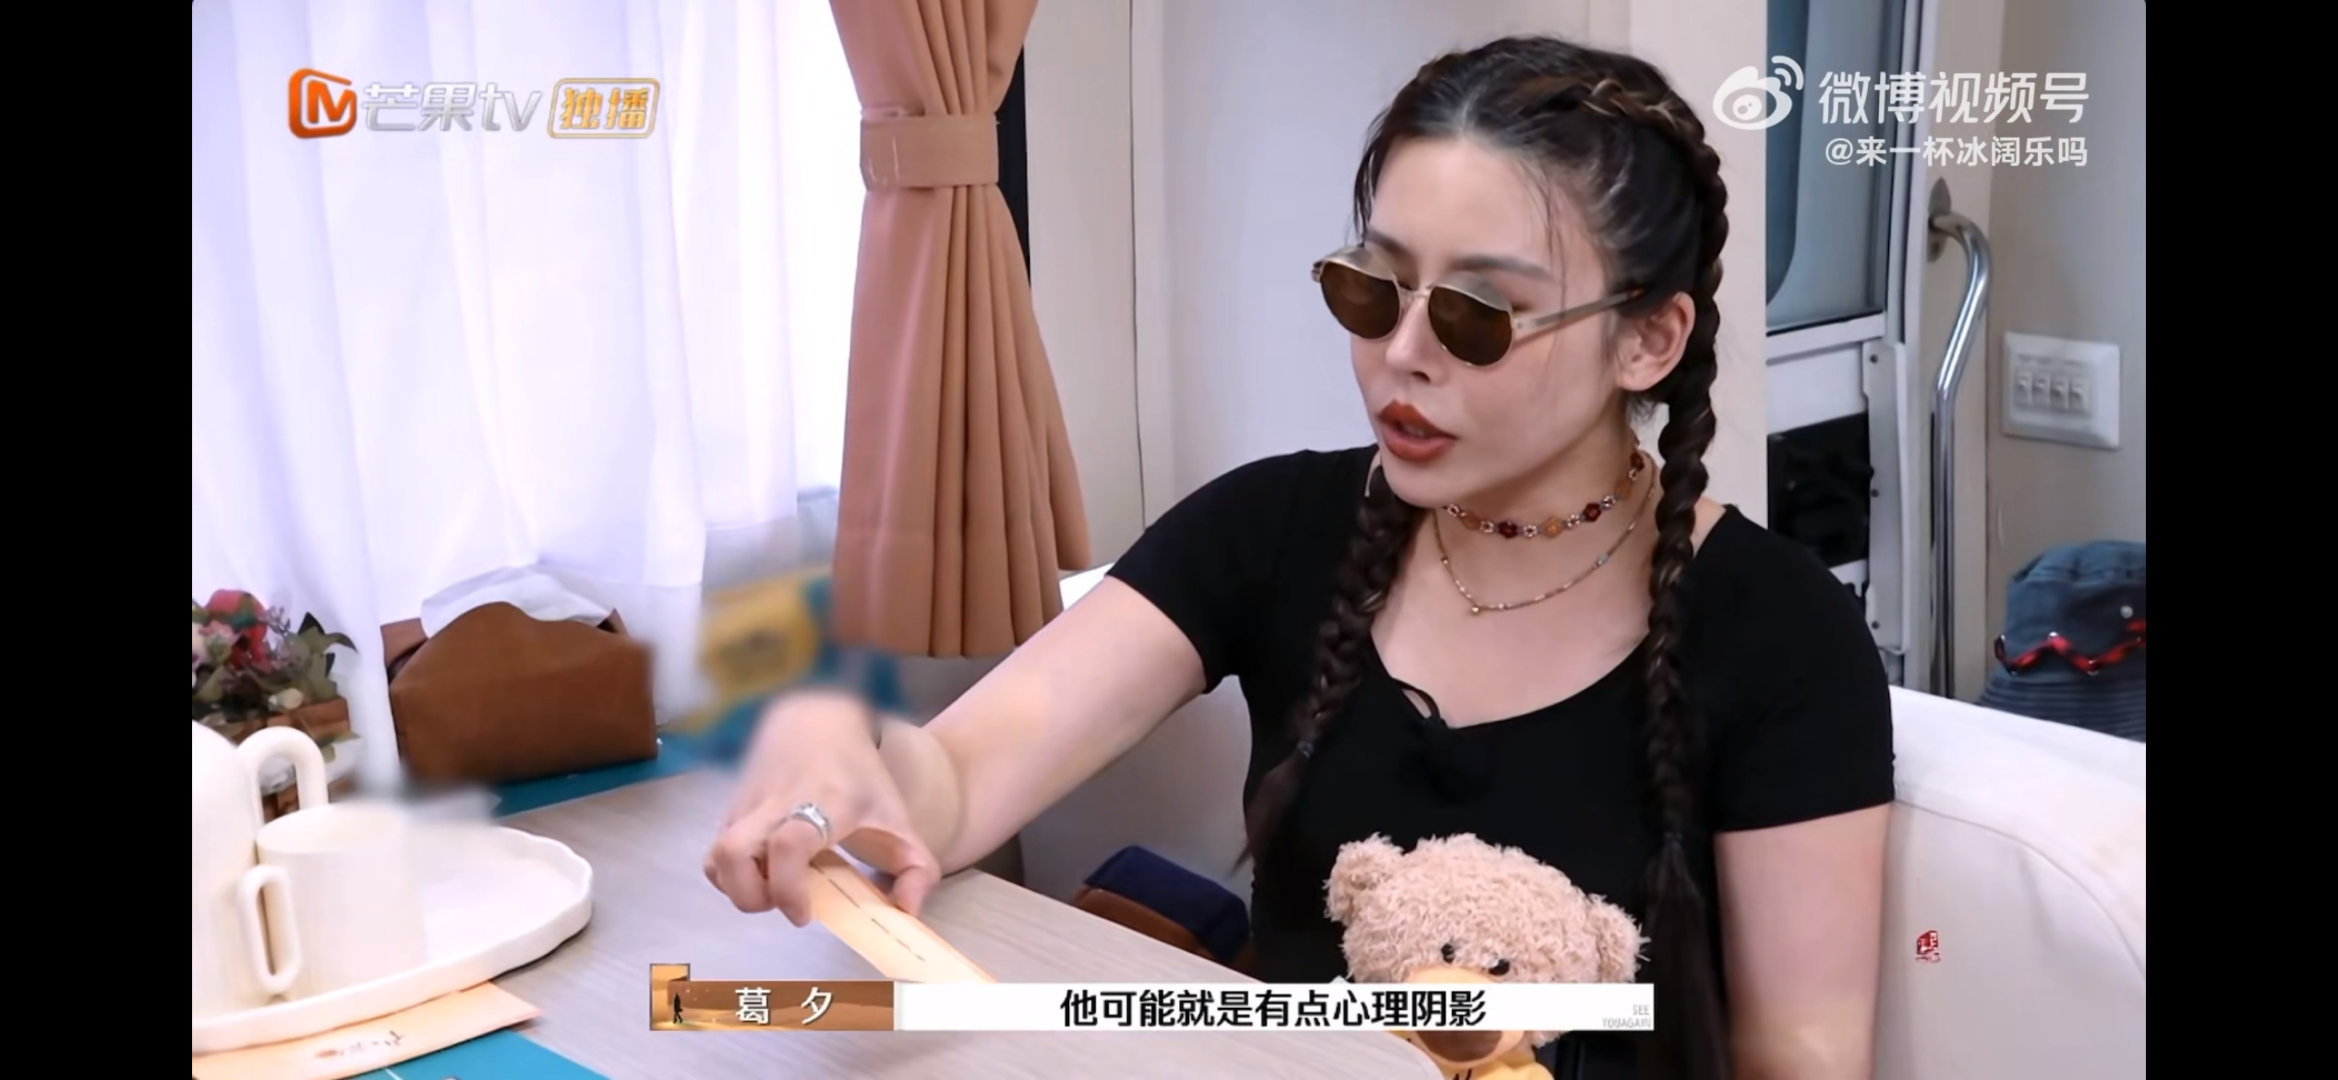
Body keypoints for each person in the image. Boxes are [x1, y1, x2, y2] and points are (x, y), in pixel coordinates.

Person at [705, 35, 1893, 1080]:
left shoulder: (1778, 632)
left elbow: (1802, 1059)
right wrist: (840, 764)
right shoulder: (1274, 526)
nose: (1403, 353)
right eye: (1374, 290)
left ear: (1646, 340)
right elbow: (963, 778)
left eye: (1476, 314)